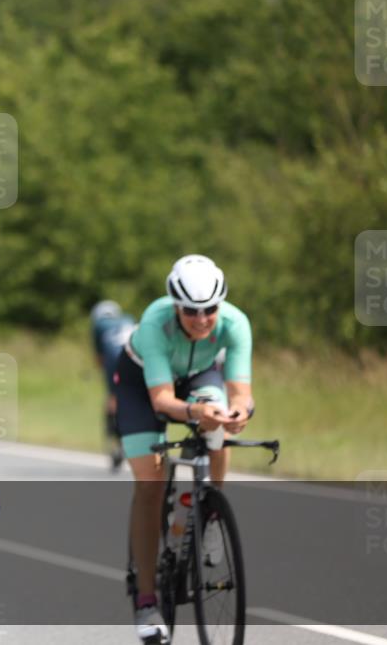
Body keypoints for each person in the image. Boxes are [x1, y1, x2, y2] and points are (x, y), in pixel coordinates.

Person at [115, 255, 253, 644]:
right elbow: (161, 400)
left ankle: (208, 515)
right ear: (176, 305)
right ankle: (146, 599)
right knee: (150, 484)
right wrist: (195, 411)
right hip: (141, 384)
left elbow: (242, 392)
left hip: (199, 374)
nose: (202, 318)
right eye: (191, 310)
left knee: (219, 426)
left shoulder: (235, 323)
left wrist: (237, 412)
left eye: (210, 308)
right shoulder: (157, 321)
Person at [89, 300, 136, 471]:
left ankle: (115, 438)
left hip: (115, 363)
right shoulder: (128, 318)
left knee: (113, 399)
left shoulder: (99, 325)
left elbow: (100, 357)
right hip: (136, 358)